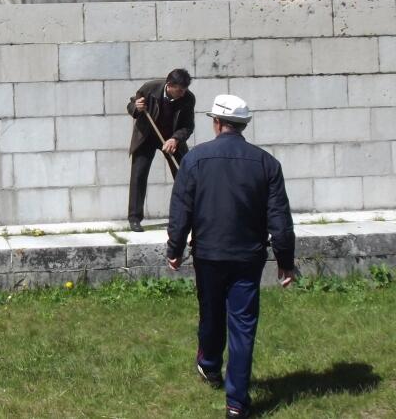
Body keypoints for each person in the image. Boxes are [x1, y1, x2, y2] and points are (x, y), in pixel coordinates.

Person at [166, 94, 297, 419]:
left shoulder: (195, 159)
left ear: (216, 123)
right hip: (247, 257)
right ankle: (237, 404)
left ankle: (209, 364)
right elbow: (279, 219)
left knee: (210, 311)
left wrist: (174, 248)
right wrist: (285, 261)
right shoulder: (266, 163)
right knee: (243, 325)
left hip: (208, 254)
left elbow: (181, 208)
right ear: (243, 125)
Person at [126, 68, 195, 232]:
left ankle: (186, 216)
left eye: (185, 89)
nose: (183, 93)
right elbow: (132, 104)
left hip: (171, 138)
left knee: (184, 175)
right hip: (147, 136)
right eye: (180, 90)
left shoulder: (188, 98)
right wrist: (137, 107)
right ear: (169, 85)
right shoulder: (150, 88)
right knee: (139, 174)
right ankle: (134, 218)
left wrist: (176, 139)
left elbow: (188, 125)